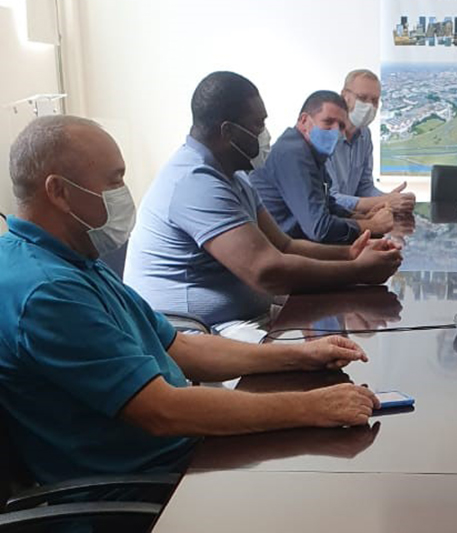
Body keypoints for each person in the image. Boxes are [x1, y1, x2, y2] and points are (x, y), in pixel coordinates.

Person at [0, 115, 381, 485]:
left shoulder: (74, 259)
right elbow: (162, 410)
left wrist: (300, 356)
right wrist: (313, 406)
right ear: (59, 192)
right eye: (115, 180)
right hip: (140, 487)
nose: (124, 193)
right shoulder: (47, 291)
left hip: (176, 455)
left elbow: (178, 346)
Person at [124, 72, 402, 328]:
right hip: (195, 332)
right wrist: (356, 270)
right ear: (227, 132)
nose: (264, 134)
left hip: (246, 316)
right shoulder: (195, 181)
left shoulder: (236, 176)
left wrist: (349, 253)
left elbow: (284, 244)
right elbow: (266, 271)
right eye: (258, 124)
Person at [249, 90, 394, 244]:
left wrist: (359, 217)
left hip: (297, 245)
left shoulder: (313, 153)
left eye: (341, 126)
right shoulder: (293, 153)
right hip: (279, 250)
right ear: (304, 120)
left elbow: (327, 203)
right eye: (328, 122)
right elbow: (320, 229)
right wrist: (373, 225)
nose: (335, 131)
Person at [327, 69, 415, 215]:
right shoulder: (324, 136)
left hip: (350, 220)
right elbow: (330, 198)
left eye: (375, 101)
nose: (369, 106)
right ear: (344, 96)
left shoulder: (364, 134)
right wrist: (384, 201)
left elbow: (364, 187)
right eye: (362, 98)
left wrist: (394, 199)